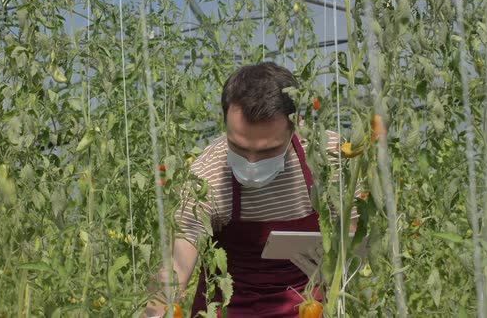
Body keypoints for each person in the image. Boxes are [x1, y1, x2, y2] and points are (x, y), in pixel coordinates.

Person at [143, 62, 359, 317]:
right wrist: (154, 313)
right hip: (230, 308)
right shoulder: (207, 176)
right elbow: (177, 265)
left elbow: (352, 234)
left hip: (309, 306)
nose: (252, 163)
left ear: (296, 125)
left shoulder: (328, 157)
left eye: (268, 150)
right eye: (239, 147)